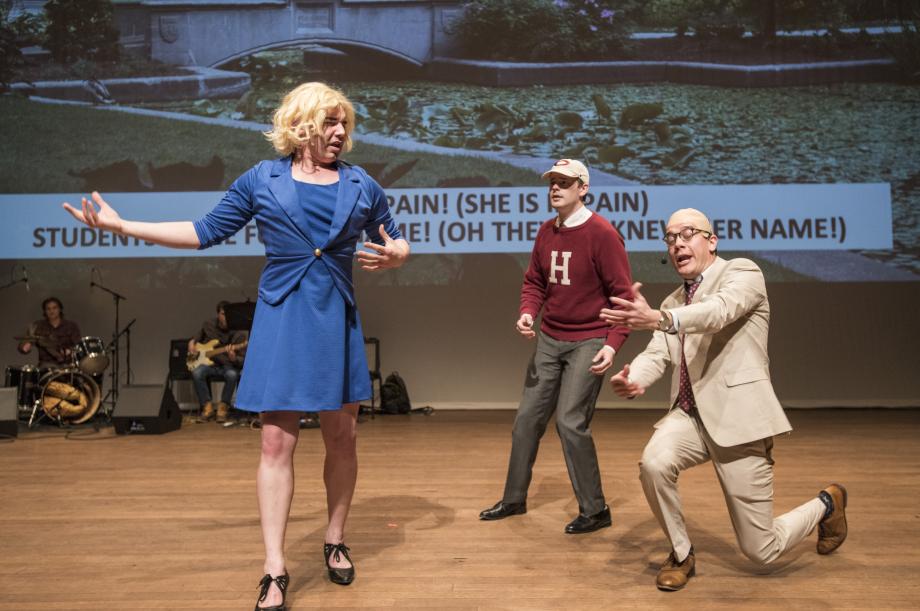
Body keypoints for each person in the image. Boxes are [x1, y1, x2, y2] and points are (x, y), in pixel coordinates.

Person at [63, 82, 410, 610]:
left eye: (345, 124)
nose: (341, 133)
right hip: (282, 318)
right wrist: (121, 226)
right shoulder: (262, 180)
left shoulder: (362, 184)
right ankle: (274, 566)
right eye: (331, 122)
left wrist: (398, 255)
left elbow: (395, 237)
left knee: (344, 437)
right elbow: (202, 231)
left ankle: (335, 538)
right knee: (275, 443)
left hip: (334, 319)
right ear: (300, 125)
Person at [600, 207, 848, 591]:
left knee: (761, 551)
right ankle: (681, 554)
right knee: (653, 463)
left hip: (739, 420)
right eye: (670, 237)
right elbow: (659, 352)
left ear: (711, 241)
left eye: (687, 234)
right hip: (689, 418)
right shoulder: (671, 302)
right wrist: (636, 377)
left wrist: (662, 319)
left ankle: (827, 504)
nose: (678, 243)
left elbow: (717, 313)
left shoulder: (743, 273)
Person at [479, 159, 633, 534]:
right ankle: (514, 499)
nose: (555, 188)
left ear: (583, 188)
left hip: (590, 339)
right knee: (526, 421)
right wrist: (528, 313)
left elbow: (624, 298)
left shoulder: (602, 234)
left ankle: (595, 510)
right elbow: (535, 281)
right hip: (551, 338)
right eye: (552, 182)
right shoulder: (547, 231)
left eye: (565, 182)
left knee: (570, 422)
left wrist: (612, 346)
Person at [187, 300, 247, 423]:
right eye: (222, 313)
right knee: (197, 373)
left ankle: (223, 407)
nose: (225, 317)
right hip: (209, 363)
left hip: (227, 365)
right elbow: (196, 338)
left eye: (228, 314)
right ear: (218, 314)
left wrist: (234, 358)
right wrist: (192, 342)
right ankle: (207, 407)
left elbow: (242, 360)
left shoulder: (238, 333)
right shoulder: (208, 324)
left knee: (232, 374)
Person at [18, 297, 82, 369]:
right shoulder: (39, 326)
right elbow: (23, 345)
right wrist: (25, 346)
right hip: (46, 365)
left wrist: (70, 351)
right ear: (45, 311)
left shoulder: (71, 326)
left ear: (60, 309)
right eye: (48, 309)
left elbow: (79, 345)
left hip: (68, 364)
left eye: (54, 308)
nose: (51, 311)